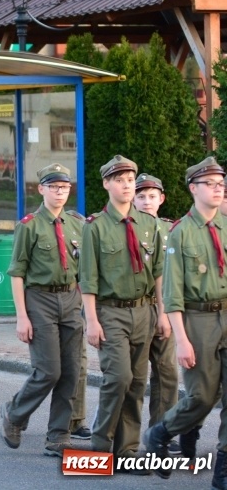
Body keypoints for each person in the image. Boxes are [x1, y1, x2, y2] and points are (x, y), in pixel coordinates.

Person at [144, 157, 227, 486]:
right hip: (197, 320)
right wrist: (182, 339)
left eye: (221, 184)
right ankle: (161, 433)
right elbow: (174, 293)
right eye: (211, 184)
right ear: (194, 188)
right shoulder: (180, 233)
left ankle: (222, 472)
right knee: (201, 398)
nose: (218, 189)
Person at [79, 155, 163, 473]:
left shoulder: (149, 223)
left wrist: (163, 314)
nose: (126, 185)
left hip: (144, 311)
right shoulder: (95, 228)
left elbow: (158, 273)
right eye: (119, 179)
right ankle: (100, 448)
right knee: (119, 378)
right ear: (106, 184)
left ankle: (127, 450)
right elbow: (87, 278)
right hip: (110, 312)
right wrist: (92, 321)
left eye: (130, 179)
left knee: (138, 381)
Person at [0, 164, 83, 457]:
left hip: (71, 299)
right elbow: (17, 273)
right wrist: (21, 316)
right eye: (54, 187)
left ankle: (58, 435)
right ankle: (14, 413)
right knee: (49, 371)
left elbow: (82, 269)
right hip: (40, 300)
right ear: (42, 189)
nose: (60, 192)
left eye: (65, 187)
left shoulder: (77, 223)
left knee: (71, 372)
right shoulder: (29, 225)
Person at [133, 173, 180, 454]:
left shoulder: (173, 229)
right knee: (132, 376)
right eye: (141, 196)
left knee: (167, 373)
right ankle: (123, 433)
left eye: (152, 196)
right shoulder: (123, 228)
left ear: (162, 199)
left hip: (165, 308)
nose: (147, 201)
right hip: (134, 308)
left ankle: (161, 432)